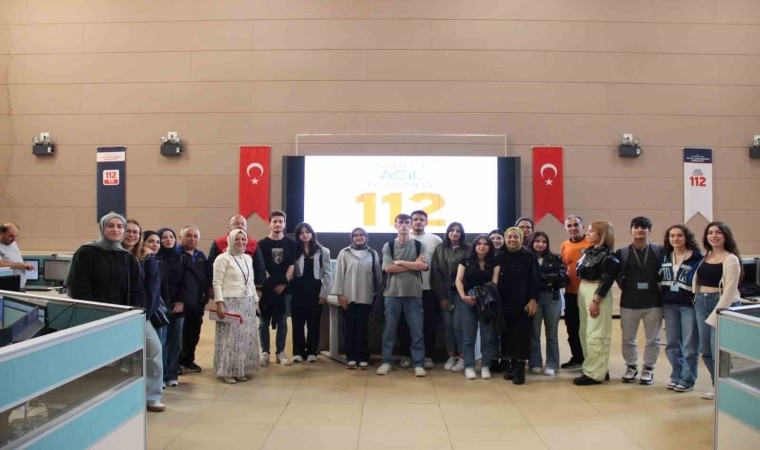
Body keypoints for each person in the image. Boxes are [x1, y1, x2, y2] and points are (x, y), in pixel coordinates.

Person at [693, 221, 742, 401]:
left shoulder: (731, 259)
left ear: (725, 235)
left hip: (722, 305)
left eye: (718, 232)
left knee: (718, 351)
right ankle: (716, 384)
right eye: (710, 232)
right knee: (705, 350)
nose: (713, 235)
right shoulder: (706, 256)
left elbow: (730, 289)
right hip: (701, 303)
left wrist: (716, 314)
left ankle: (725, 386)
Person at [377, 213, 429, 377]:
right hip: (392, 294)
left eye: (407, 222)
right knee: (389, 330)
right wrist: (413, 264)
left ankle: (418, 363)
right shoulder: (389, 246)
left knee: (417, 331)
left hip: (414, 294)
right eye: (401, 222)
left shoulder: (420, 245)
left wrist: (399, 262)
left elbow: (424, 267)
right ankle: (386, 362)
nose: (404, 225)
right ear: (395, 226)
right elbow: (388, 268)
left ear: (411, 225)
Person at [614, 217, 663, 385]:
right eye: (636, 227)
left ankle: (648, 368)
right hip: (629, 303)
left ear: (649, 230)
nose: (640, 230)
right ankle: (631, 367)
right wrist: (627, 288)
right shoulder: (622, 252)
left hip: (653, 302)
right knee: (628, 338)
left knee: (653, 339)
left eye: (644, 227)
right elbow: (617, 275)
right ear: (631, 230)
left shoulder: (658, 251)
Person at [123, 220, 165, 412]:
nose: (132, 235)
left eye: (136, 232)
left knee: (154, 351)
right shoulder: (115, 255)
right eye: (128, 231)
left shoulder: (146, 258)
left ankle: (152, 397)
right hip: (116, 315)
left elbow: (153, 288)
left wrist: (143, 314)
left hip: (141, 314)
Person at [573, 220, 621, 386]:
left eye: (591, 231)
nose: (587, 233)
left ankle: (595, 373)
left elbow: (607, 280)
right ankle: (595, 367)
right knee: (584, 331)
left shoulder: (608, 256)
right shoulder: (590, 251)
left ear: (602, 234)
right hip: (584, 288)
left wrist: (596, 300)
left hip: (596, 291)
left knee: (596, 333)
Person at [67, 213, 145, 309]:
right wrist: (95, 310)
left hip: (122, 313)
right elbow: (79, 287)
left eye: (120, 226)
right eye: (110, 226)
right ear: (102, 228)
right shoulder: (86, 252)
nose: (115, 230)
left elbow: (137, 290)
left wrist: (134, 312)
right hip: (93, 311)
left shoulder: (128, 257)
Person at [659, 224, 703, 393]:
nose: (675, 239)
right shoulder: (665, 255)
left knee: (690, 344)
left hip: (688, 305)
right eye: (672, 236)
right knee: (672, 343)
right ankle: (676, 376)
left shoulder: (697, 257)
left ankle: (687, 379)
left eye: (679, 235)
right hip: (669, 304)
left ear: (686, 237)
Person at [212, 229, 260, 384]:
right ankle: (227, 371)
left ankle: (240, 369)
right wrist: (219, 303)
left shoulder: (248, 258)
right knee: (230, 338)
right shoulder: (222, 258)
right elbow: (217, 283)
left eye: (243, 239)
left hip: (247, 301)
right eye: (237, 239)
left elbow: (251, 281)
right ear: (230, 240)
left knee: (244, 338)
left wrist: (255, 300)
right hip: (230, 301)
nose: (240, 242)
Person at [330, 228, 382, 369]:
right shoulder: (344, 252)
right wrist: (340, 294)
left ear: (366, 237)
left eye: (361, 235)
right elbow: (338, 274)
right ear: (351, 238)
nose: (359, 237)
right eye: (355, 235)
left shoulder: (373, 253)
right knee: (350, 328)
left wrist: (378, 295)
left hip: (367, 297)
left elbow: (378, 275)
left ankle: (363, 357)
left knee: (363, 329)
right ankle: (351, 357)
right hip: (348, 297)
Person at [397, 210, 442, 370]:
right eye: (415, 219)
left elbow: (438, 265)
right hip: (406, 289)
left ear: (426, 222)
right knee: (404, 324)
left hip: (428, 289)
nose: (418, 222)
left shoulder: (435, 240)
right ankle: (406, 355)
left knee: (429, 324)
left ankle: (427, 355)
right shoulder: (401, 239)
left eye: (421, 219)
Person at [455, 234, 500, 380]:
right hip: (468, 299)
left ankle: (486, 365)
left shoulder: (494, 262)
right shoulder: (465, 261)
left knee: (487, 336)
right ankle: (469, 366)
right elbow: (458, 280)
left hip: (487, 301)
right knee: (469, 336)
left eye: (485, 244)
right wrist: (463, 296)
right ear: (474, 246)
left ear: (490, 247)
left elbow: (494, 283)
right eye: (479, 244)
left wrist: (483, 296)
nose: (482, 246)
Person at [497, 227, 538, 385]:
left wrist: (533, 299)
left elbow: (534, 279)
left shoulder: (529, 256)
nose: (512, 240)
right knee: (508, 335)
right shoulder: (501, 255)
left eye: (516, 237)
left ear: (521, 239)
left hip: (525, 302)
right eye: (509, 237)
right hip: (505, 303)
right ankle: (512, 366)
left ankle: (520, 369)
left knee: (522, 335)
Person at [258, 210, 296, 366]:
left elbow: (292, 265)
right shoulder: (261, 244)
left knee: (282, 322)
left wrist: (284, 283)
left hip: (285, 290)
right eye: (275, 221)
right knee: (263, 322)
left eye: (281, 221)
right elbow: (261, 266)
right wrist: (272, 283)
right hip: (267, 289)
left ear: (285, 224)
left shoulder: (291, 244)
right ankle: (265, 352)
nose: (278, 224)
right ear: (269, 223)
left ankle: (280, 352)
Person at [290, 222, 333, 362]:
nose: (305, 235)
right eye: (301, 233)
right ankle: (298, 351)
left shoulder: (323, 251)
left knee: (313, 322)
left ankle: (312, 352)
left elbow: (328, 274)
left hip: (315, 290)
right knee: (298, 322)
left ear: (312, 233)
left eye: (307, 232)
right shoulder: (294, 249)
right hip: (297, 290)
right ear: (298, 235)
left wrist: (324, 294)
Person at [528, 231, 569, 377]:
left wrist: (543, 279)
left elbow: (564, 278)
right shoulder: (527, 258)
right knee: (534, 333)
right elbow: (528, 280)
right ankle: (535, 362)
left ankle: (552, 364)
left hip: (552, 298)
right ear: (532, 242)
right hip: (534, 299)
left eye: (544, 242)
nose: (540, 244)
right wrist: (548, 279)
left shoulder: (555, 258)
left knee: (552, 334)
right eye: (537, 241)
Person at [431, 222, 470, 372]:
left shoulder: (468, 249)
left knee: (459, 325)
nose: (455, 233)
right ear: (447, 233)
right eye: (452, 230)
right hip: (445, 291)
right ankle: (451, 356)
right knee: (447, 325)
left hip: (462, 292)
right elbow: (435, 273)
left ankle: (462, 357)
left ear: (462, 234)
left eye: (458, 231)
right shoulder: (440, 249)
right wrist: (442, 296)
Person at [178, 225, 211, 374]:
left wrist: (206, 296)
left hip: (197, 303)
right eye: (188, 235)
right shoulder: (175, 255)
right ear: (180, 237)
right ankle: (175, 363)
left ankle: (188, 360)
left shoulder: (200, 256)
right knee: (179, 334)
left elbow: (206, 277)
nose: (192, 239)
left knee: (193, 333)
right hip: (180, 303)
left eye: (195, 236)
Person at [208, 215, 266, 298]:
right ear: (229, 226)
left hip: (247, 289)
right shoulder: (218, 243)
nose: (240, 226)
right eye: (236, 223)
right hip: (226, 289)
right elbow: (210, 267)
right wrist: (211, 287)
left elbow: (260, 267)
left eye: (243, 224)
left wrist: (259, 287)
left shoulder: (254, 244)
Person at [156, 227, 185, 387]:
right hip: (160, 307)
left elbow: (186, 282)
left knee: (176, 342)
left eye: (171, 237)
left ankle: (172, 374)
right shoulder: (154, 258)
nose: (168, 240)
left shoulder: (181, 258)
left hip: (177, 307)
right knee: (161, 343)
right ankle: (161, 376)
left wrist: (181, 301)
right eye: (164, 237)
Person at [559, 215, 587, 370]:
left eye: (576, 224)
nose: (573, 228)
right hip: (571, 292)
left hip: (588, 292)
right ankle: (577, 357)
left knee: (588, 327)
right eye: (569, 226)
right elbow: (565, 267)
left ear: (582, 226)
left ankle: (590, 358)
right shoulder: (564, 245)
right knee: (572, 326)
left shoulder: (591, 242)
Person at [0, 223, 35, 289]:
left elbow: (14, 259)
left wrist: (24, 265)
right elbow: (1, 264)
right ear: (1, 233)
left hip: (20, 285)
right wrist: (21, 265)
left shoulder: (13, 243)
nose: (14, 239)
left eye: (15, 236)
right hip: (7, 287)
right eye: (11, 236)